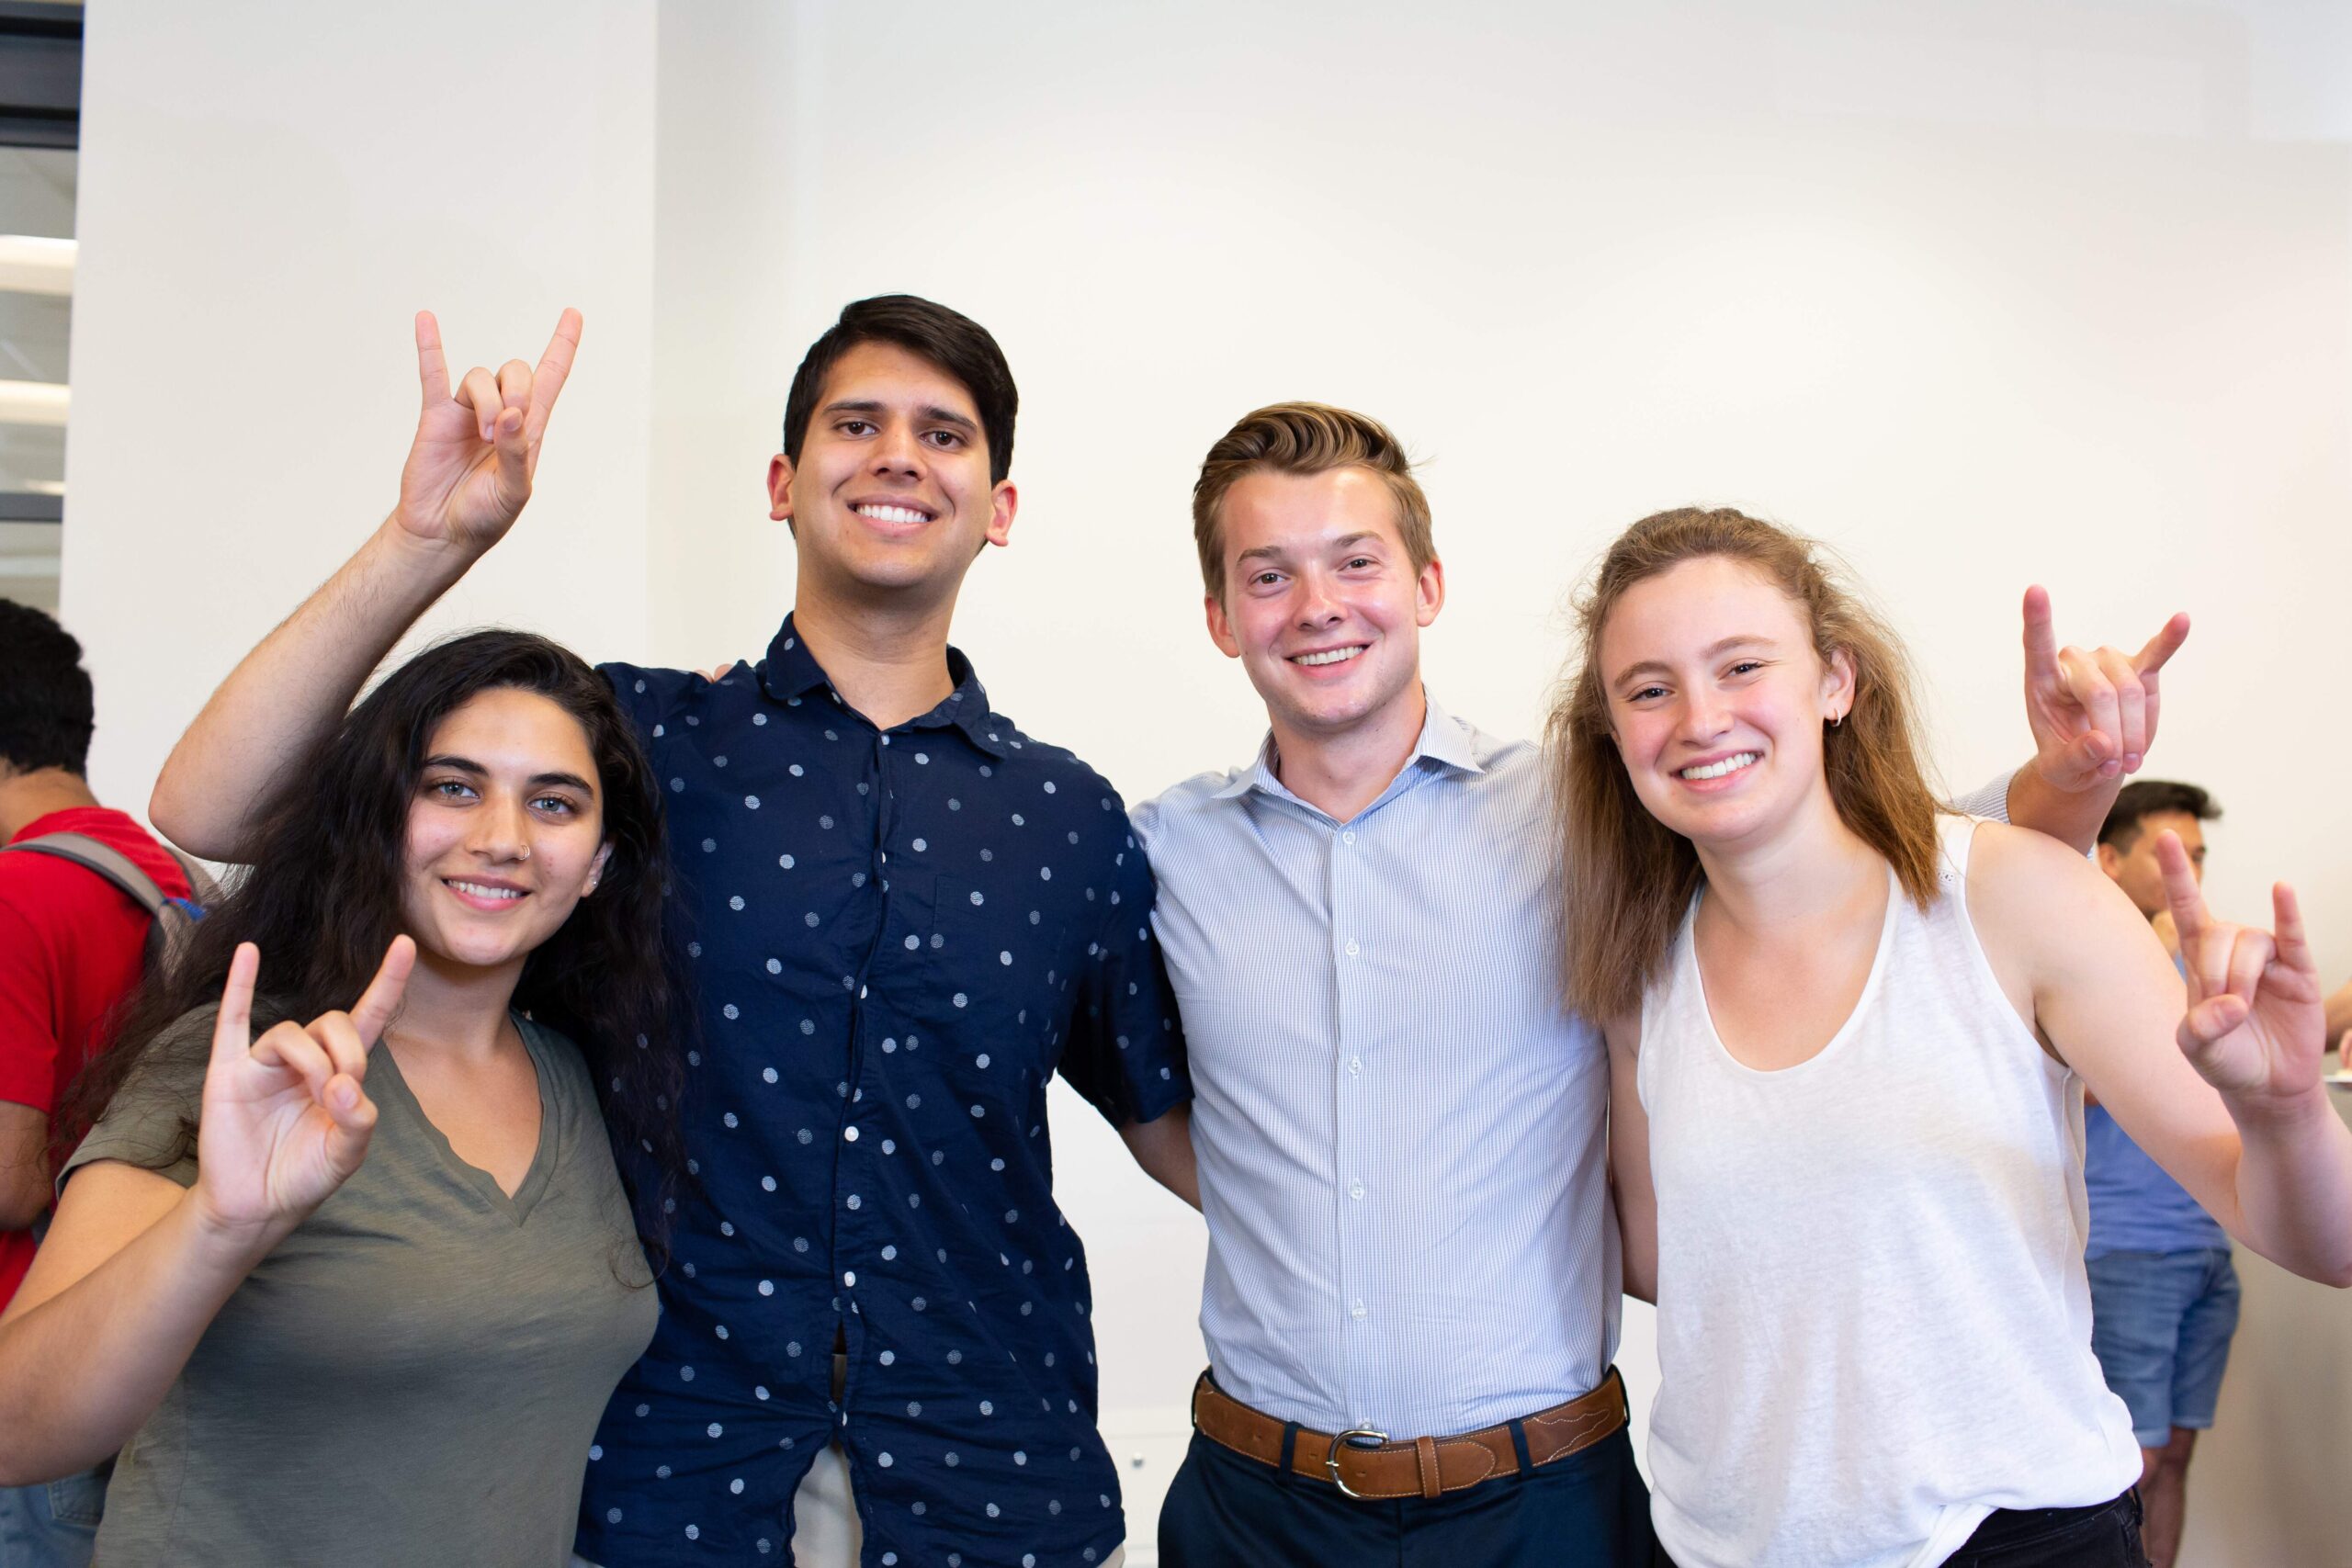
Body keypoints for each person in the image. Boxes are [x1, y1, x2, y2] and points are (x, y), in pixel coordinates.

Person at [146, 299, 1194, 1568]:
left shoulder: (1068, 817)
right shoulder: (636, 747)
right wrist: (430, 539)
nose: (898, 456)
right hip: (676, 1471)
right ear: (782, 483)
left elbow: (1173, 1126)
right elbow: (212, 808)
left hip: (992, 1473)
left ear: (1000, 505)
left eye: (943, 434)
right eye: (855, 423)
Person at [1136, 407, 2181, 1568]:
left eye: (1355, 562)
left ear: (1426, 585)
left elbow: (1865, 864)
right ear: (1220, 617)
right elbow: (1138, 1098)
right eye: (1268, 575)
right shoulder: (1162, 853)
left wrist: (2067, 784)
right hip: (1256, 1506)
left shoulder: (1587, 813)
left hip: (1539, 1500)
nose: (1317, 605)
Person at [1559, 507, 2352, 1568]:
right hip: (1714, 1545)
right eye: (1649, 689)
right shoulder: (1639, 968)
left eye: (1741, 666)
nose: (1700, 717)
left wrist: (2286, 1108)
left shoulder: (2017, 894)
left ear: (1835, 681)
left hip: (2011, 1539)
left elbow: (2328, 1247)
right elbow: (1667, 1261)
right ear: (1612, 732)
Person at [0, 628, 689, 1566]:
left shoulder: (582, 1073)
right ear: (378, 817)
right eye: (453, 787)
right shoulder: (249, 1061)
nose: (502, 839)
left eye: (554, 803)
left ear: (599, 860)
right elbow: (19, 1432)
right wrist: (219, 1225)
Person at [0, 601, 198, 1568]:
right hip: (134, 1356)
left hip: (25, 1367)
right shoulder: (170, 876)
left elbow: (11, 1183)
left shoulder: (13, 893)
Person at [2084, 781, 2237, 1568]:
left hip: (2207, 1249)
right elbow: (2080, 1081)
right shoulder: (2081, 956)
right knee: (2132, 1469)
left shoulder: (2203, 959)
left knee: (2173, 1456)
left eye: (2198, 857)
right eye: (2171, 855)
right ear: (2110, 859)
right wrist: (2152, 952)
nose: (2190, 875)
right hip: (2127, 1252)